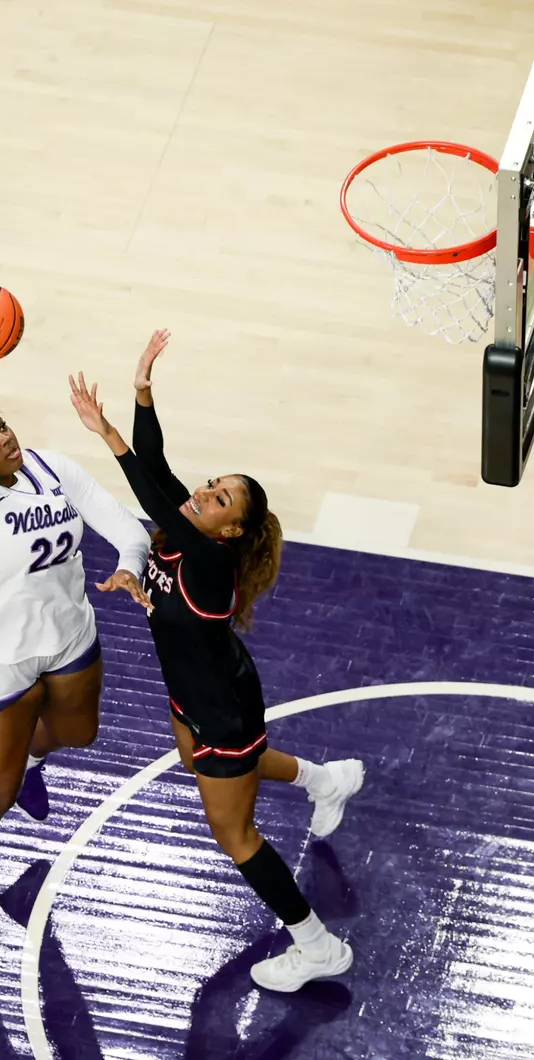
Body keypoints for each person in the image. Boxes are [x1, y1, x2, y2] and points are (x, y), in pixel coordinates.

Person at [68, 330, 364, 993]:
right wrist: (142, 388)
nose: (204, 494)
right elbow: (158, 465)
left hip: (221, 708)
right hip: (196, 690)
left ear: (229, 530)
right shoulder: (183, 533)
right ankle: (324, 780)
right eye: (210, 487)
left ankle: (316, 946)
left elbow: (147, 487)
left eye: (220, 499)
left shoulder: (208, 560)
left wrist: (106, 432)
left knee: (236, 835)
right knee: (202, 764)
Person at [0, 349, 151, 933]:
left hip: (66, 635)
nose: (3, 437)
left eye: (2, 424)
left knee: (78, 733)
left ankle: (35, 759)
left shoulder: (51, 468)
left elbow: (123, 525)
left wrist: (131, 565)